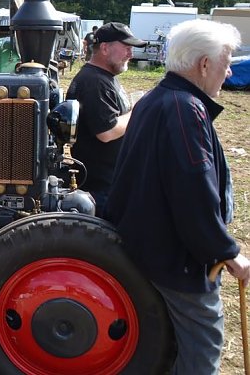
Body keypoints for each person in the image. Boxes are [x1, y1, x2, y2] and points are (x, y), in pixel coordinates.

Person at [105, 19, 250, 375]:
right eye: (226, 61)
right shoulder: (186, 109)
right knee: (203, 347)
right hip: (175, 258)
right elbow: (193, 192)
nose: (229, 72)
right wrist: (225, 251)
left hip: (152, 245)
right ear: (203, 64)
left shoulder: (160, 97)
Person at [65, 22, 145, 215]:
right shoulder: (94, 82)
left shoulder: (103, 77)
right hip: (101, 188)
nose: (131, 54)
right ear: (105, 48)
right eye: (126, 48)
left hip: (109, 183)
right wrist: (138, 110)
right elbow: (106, 132)